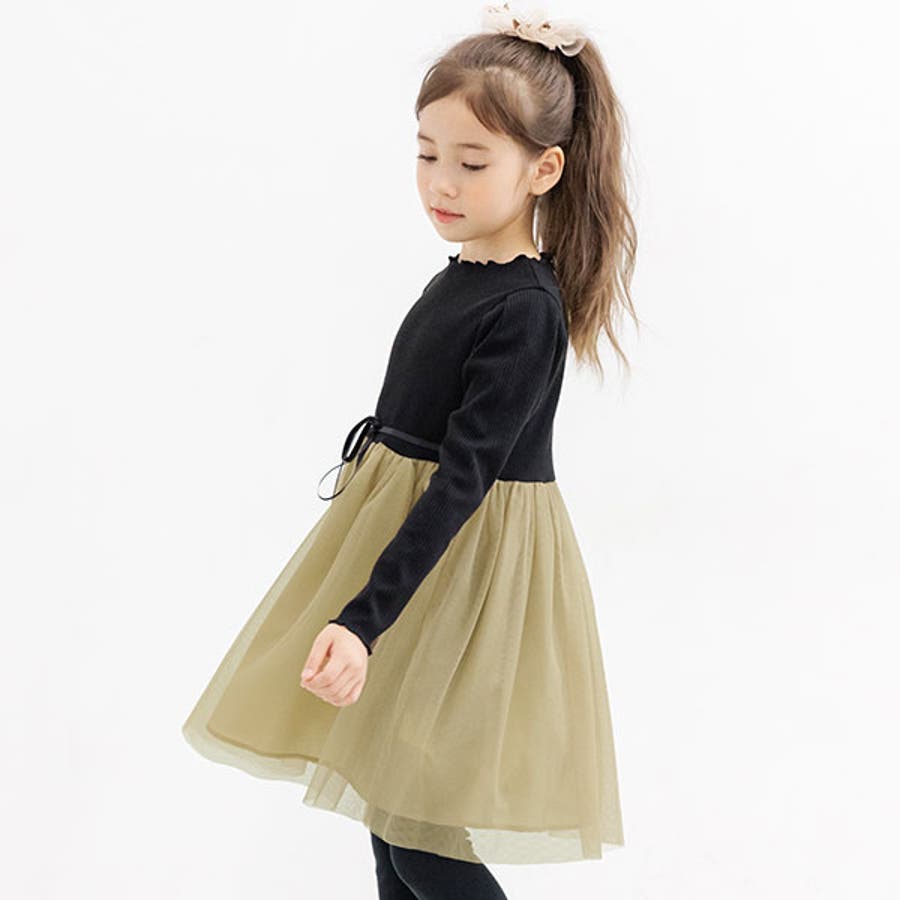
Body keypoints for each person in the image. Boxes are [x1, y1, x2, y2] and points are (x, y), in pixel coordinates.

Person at [181, 3, 638, 896]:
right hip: (415, 557)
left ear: (544, 169)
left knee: (420, 833)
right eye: (427, 154)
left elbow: (464, 479)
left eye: (472, 161)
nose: (442, 182)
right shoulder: (464, 276)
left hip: (462, 573)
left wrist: (363, 620)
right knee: (389, 824)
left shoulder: (525, 308)